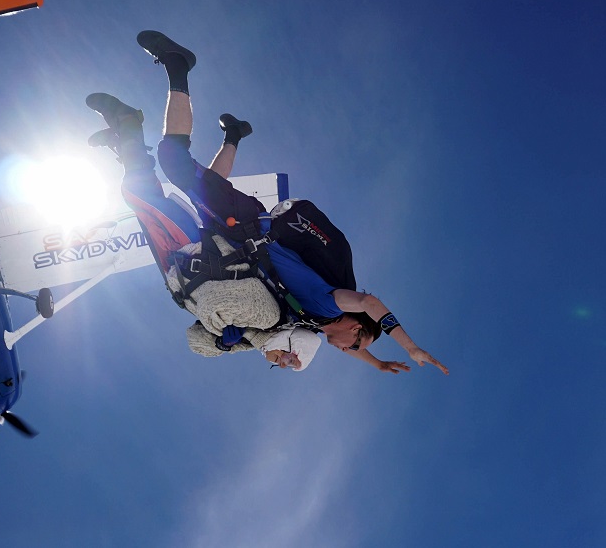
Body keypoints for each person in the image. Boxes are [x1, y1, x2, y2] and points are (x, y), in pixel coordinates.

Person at [135, 30, 448, 376]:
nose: (347, 351)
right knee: (175, 162)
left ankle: (234, 135)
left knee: (208, 185)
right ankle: (178, 66)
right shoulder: (330, 304)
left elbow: (351, 348)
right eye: (355, 344)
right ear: (356, 327)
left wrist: (376, 363)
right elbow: (369, 303)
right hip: (245, 226)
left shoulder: (313, 322)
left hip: (240, 237)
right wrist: (411, 346)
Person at [85, 92, 319, 372]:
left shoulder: (249, 339)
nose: (281, 362)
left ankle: (125, 142)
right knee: (143, 193)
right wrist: (220, 331)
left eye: (283, 365)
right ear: (292, 342)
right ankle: (129, 126)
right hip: (199, 252)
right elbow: (213, 304)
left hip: (178, 269)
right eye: (290, 358)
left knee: (153, 196)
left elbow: (194, 341)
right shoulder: (269, 317)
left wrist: (221, 343)